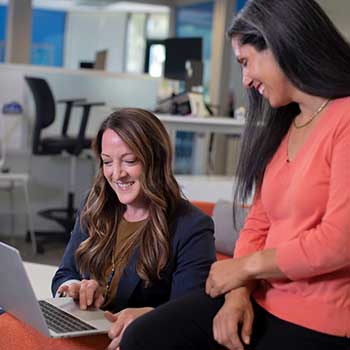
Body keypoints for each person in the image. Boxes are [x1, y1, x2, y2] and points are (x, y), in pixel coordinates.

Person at [117, 1, 350, 350]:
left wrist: (245, 269)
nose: (245, 79)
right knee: (143, 337)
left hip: (319, 319)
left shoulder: (344, 119)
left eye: (245, 62)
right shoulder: (288, 123)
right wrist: (237, 295)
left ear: (280, 43)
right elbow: (258, 223)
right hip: (259, 298)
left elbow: (338, 242)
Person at [51, 108, 216, 350]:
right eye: (107, 162)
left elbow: (191, 316)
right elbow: (64, 274)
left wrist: (149, 317)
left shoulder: (192, 227)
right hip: (83, 332)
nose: (116, 173)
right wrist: (74, 288)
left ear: (156, 160)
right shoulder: (95, 203)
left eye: (129, 161)